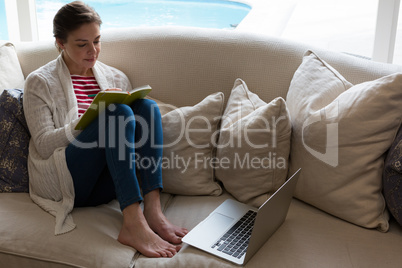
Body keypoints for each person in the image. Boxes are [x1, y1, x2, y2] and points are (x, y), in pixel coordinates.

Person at [23, 1, 187, 258]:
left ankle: (153, 211)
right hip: (67, 180)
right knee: (116, 112)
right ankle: (132, 224)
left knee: (147, 106)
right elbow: (43, 144)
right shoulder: (39, 82)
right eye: (82, 44)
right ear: (60, 43)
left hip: (109, 180)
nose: (93, 51)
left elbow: (129, 141)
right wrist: (90, 118)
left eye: (97, 41)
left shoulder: (115, 78)